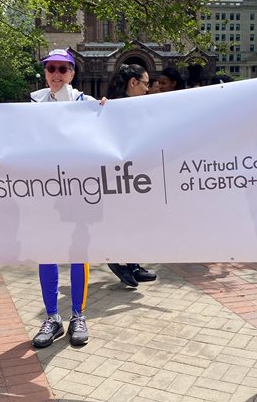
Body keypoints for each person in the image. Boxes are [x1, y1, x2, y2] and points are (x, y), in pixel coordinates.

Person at [26, 49, 103, 348]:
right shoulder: (33, 103)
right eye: (50, 69)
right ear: (45, 72)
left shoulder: (86, 104)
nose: (56, 74)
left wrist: (106, 112)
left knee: (77, 252)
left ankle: (78, 316)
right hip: (44, 190)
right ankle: (52, 318)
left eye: (62, 69)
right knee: (47, 252)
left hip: (77, 190)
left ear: (72, 73)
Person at [104, 65, 158, 288]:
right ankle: (118, 260)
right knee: (123, 218)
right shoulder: (111, 107)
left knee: (134, 218)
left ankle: (132, 263)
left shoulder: (136, 106)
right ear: (133, 82)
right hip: (120, 174)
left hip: (135, 172)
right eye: (145, 83)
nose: (147, 89)